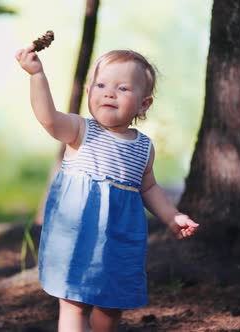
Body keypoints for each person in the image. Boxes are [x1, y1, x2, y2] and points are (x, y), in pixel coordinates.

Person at [15, 45, 199, 332]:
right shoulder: (80, 130)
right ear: (89, 92)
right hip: (77, 236)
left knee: (112, 307)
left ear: (144, 104)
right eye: (100, 85)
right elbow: (48, 117)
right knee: (74, 303)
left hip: (120, 238)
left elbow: (149, 188)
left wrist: (172, 217)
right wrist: (36, 74)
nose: (109, 92)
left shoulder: (143, 147)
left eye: (123, 88)